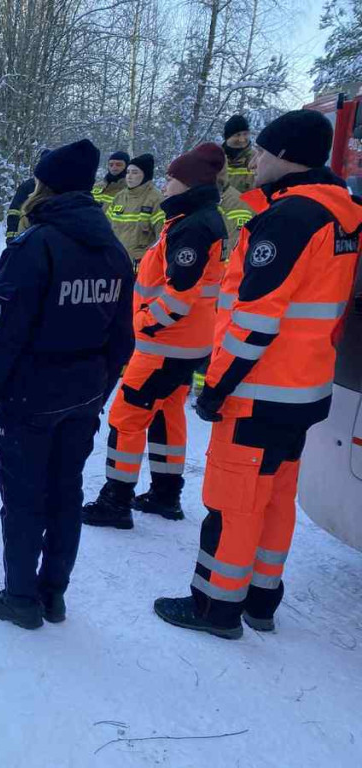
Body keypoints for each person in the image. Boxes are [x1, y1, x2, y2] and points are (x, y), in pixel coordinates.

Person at [155, 111, 362, 639]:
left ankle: (213, 606)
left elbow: (254, 319)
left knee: (234, 501)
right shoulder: (341, 214)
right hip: (305, 387)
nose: (256, 162)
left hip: (258, 389)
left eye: (264, 153)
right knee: (273, 499)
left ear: (287, 156)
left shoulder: (291, 218)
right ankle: (261, 599)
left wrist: (216, 386)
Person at [0, 140, 134, 630]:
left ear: (46, 185)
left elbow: (0, 332)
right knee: (65, 492)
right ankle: (52, 594)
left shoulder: (35, 246)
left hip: (30, 397)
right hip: (83, 395)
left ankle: (22, 597)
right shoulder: (114, 251)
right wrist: (100, 388)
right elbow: (124, 336)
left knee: (23, 498)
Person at [83, 143, 227, 530]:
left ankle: (116, 500)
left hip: (165, 344)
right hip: (185, 343)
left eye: (171, 179)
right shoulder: (194, 219)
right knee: (166, 413)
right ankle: (166, 493)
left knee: (126, 416)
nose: (165, 185)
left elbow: (180, 293)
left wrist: (143, 323)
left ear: (189, 184)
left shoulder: (194, 226)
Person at [107, 153, 164, 269]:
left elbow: (161, 238)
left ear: (145, 175)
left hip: (141, 267)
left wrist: (148, 262)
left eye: (135, 172)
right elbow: (105, 228)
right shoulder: (119, 197)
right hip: (114, 263)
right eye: (128, 172)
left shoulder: (155, 199)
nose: (129, 176)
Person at [222, 114, 255, 194]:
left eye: (245, 134)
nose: (242, 139)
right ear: (227, 137)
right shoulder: (214, 158)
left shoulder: (256, 159)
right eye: (237, 135)